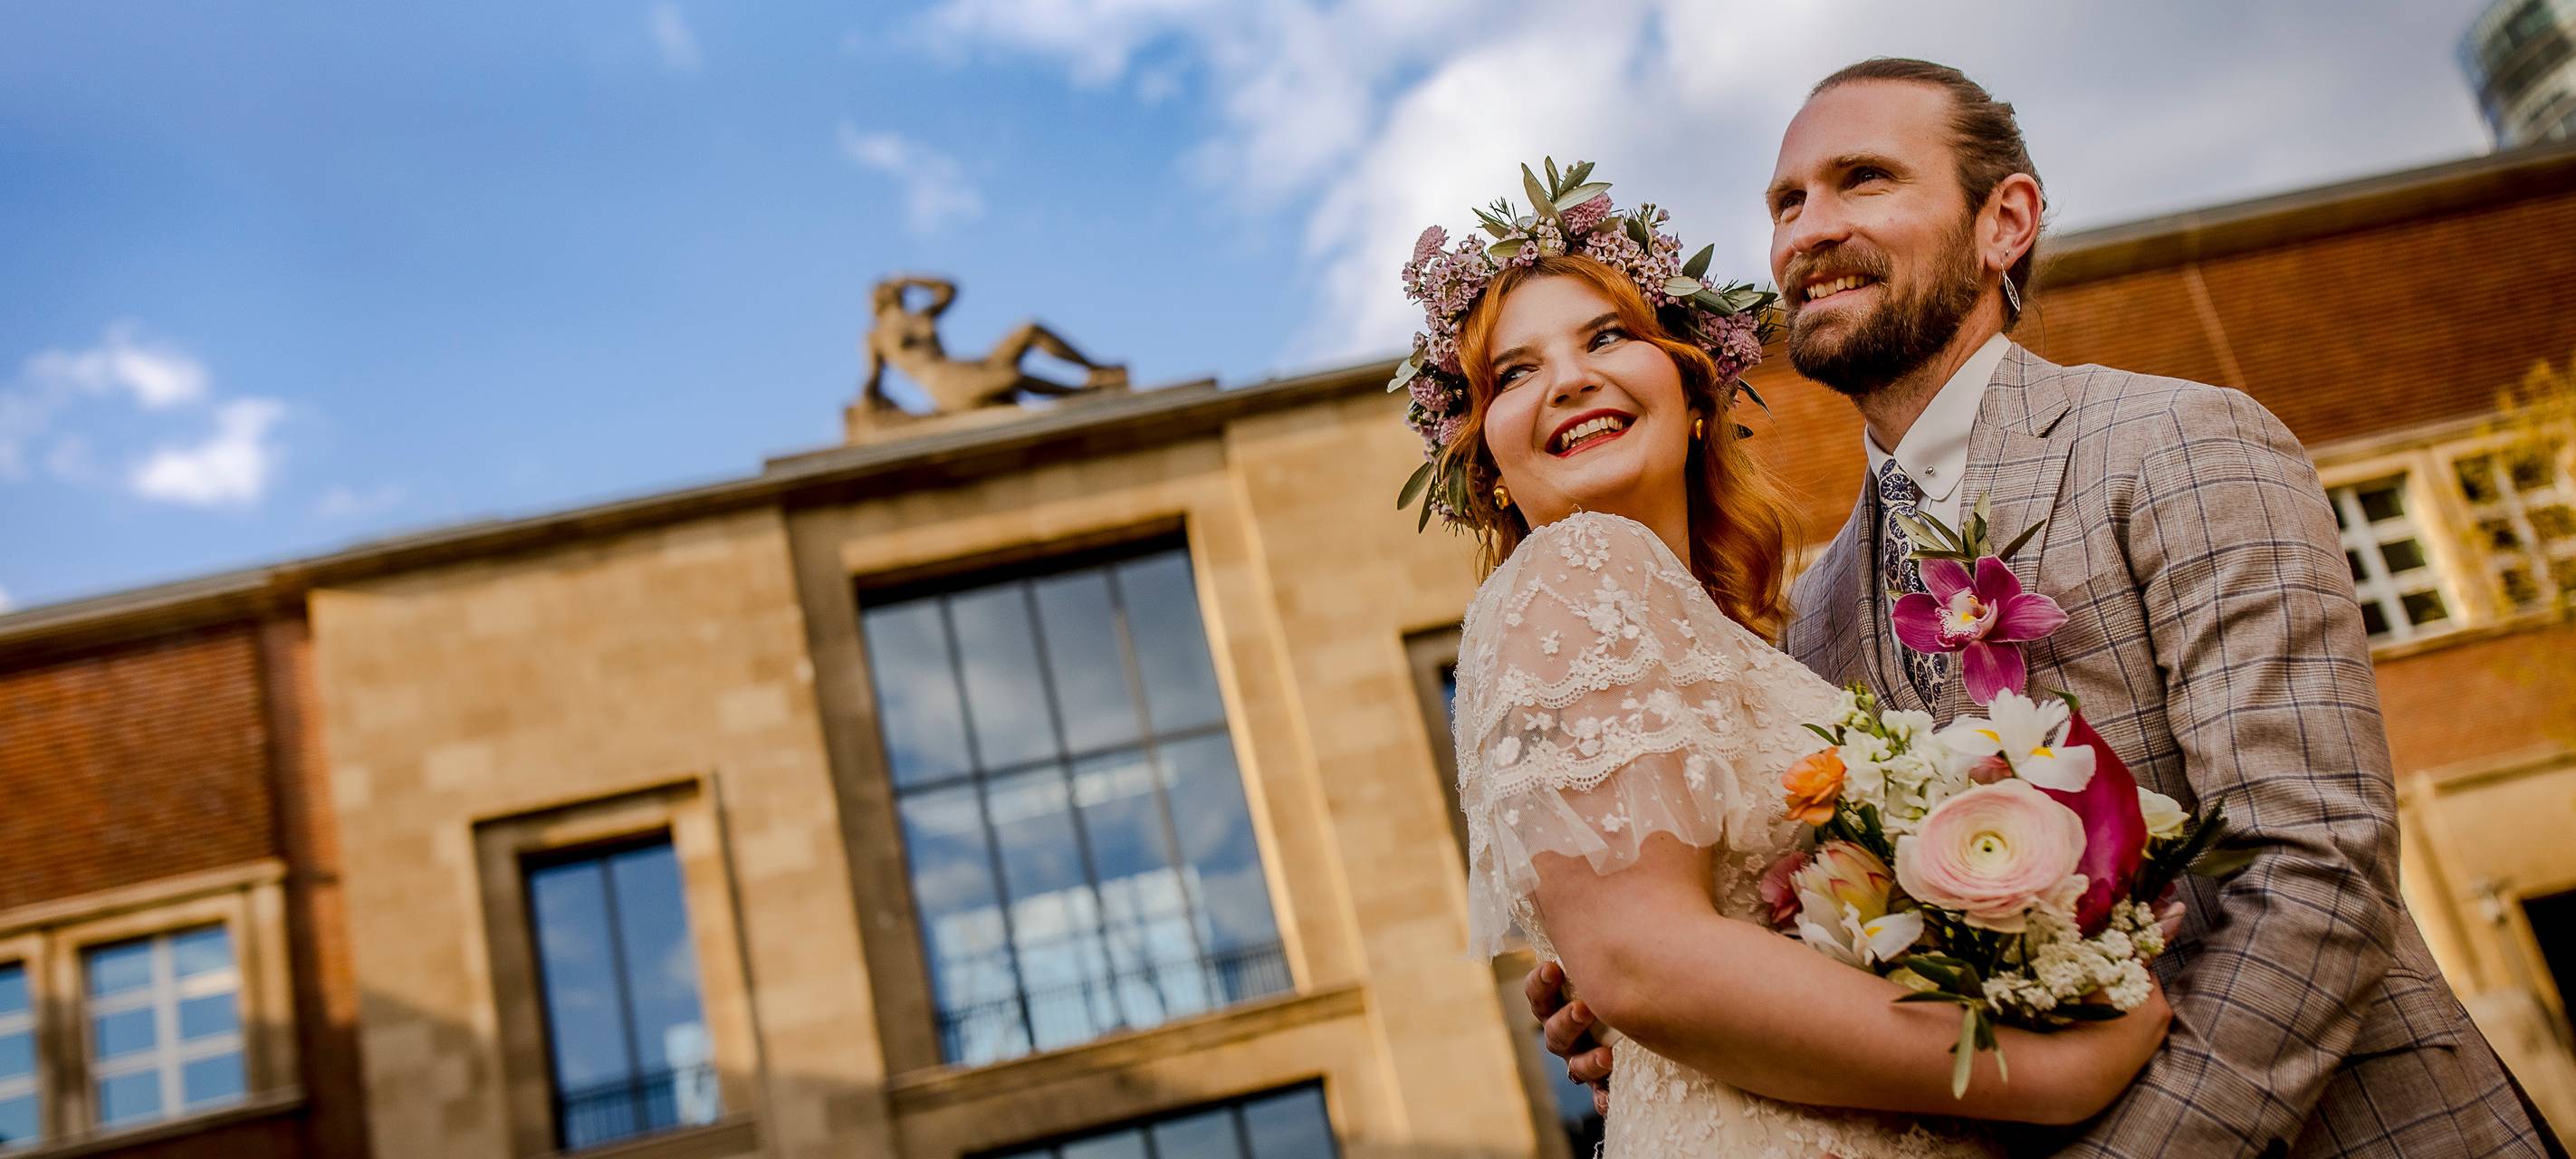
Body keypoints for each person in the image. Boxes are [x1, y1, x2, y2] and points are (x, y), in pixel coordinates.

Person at [1526, 58, 2561, 1158]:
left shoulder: (2181, 444)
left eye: (1861, 180)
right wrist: (1660, 994)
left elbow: (2315, 871)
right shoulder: (1815, 618)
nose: (1806, 231)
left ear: (2003, 220)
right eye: (1786, 203)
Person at [1403, 161, 2172, 1155]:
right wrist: (2047, 1069)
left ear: (1691, 393)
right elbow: (1644, 960)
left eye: (1607, 337)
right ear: (1490, 467)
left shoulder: (1742, 634)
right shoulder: (1575, 568)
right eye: (1512, 373)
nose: (1567, 378)